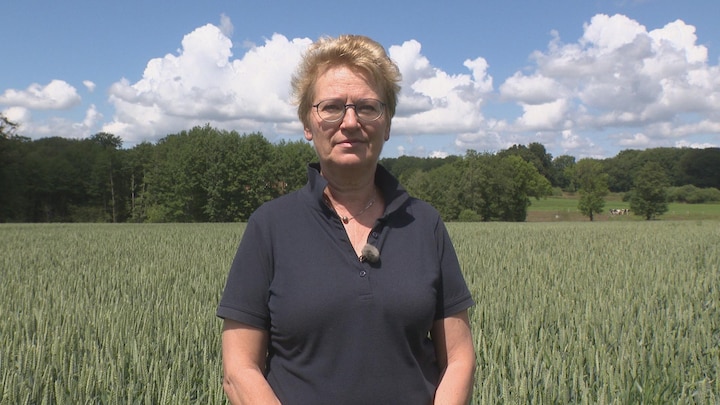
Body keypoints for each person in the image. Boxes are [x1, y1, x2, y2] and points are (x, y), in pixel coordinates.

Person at [217, 34, 476, 405]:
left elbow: (459, 358)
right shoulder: (270, 226)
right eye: (332, 107)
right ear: (309, 124)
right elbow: (239, 368)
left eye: (368, 107)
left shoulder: (424, 224)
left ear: (387, 125)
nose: (350, 122)